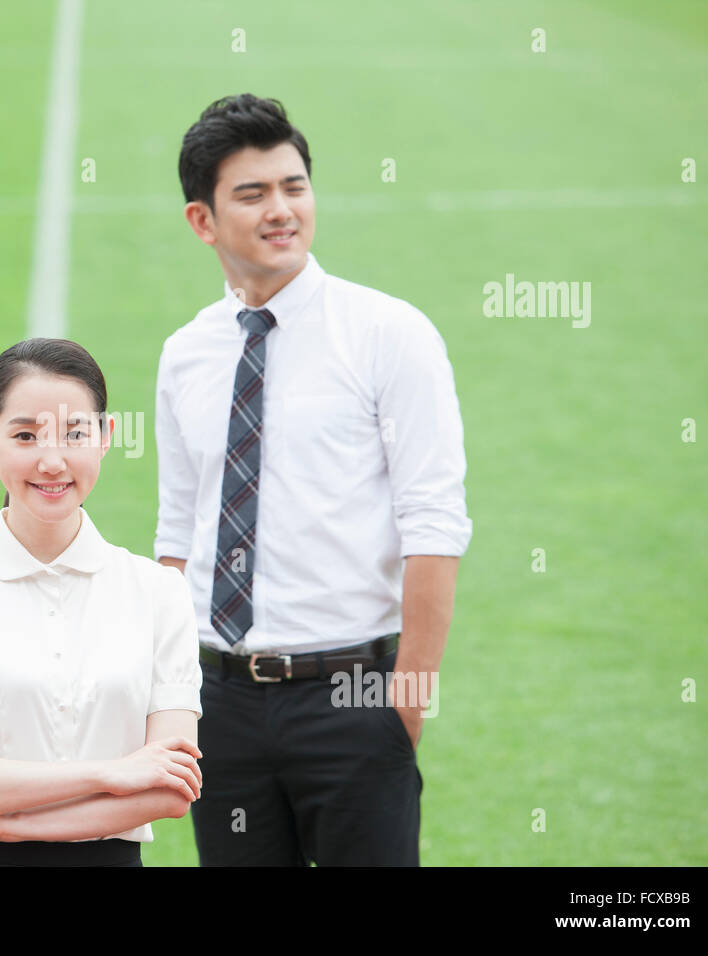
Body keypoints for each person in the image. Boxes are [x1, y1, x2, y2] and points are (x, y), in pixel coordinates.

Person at [155, 93, 472, 866]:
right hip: (219, 700)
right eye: (253, 193)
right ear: (203, 220)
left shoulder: (388, 333)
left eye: (294, 186)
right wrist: (170, 688)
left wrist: (407, 701)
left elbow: (434, 521)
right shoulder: (186, 353)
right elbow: (175, 532)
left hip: (354, 699)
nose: (282, 209)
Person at [0, 338, 204, 867]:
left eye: (74, 433)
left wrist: (2, 821)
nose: (53, 460)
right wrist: (108, 773)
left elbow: (169, 791)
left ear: (106, 437)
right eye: (26, 435)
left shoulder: (160, 592)